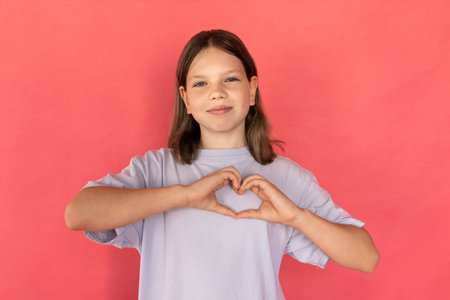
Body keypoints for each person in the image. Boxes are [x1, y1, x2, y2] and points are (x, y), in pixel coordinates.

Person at [65, 29, 379, 300]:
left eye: (230, 79)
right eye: (201, 84)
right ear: (186, 100)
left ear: (252, 90)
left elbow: (366, 257)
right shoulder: (154, 170)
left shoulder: (285, 176)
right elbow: (78, 213)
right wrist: (184, 195)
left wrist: (297, 217)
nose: (217, 93)